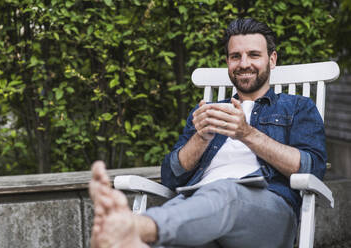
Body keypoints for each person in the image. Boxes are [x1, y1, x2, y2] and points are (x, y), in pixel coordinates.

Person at [89, 18, 327, 248]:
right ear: (228, 62)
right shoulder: (208, 112)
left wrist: (247, 134)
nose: (244, 63)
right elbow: (171, 176)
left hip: (266, 213)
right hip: (200, 212)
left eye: (254, 55)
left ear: (272, 59)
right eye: (236, 56)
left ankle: (135, 228)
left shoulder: (297, 107)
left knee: (224, 191)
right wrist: (200, 138)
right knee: (177, 225)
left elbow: (312, 167)